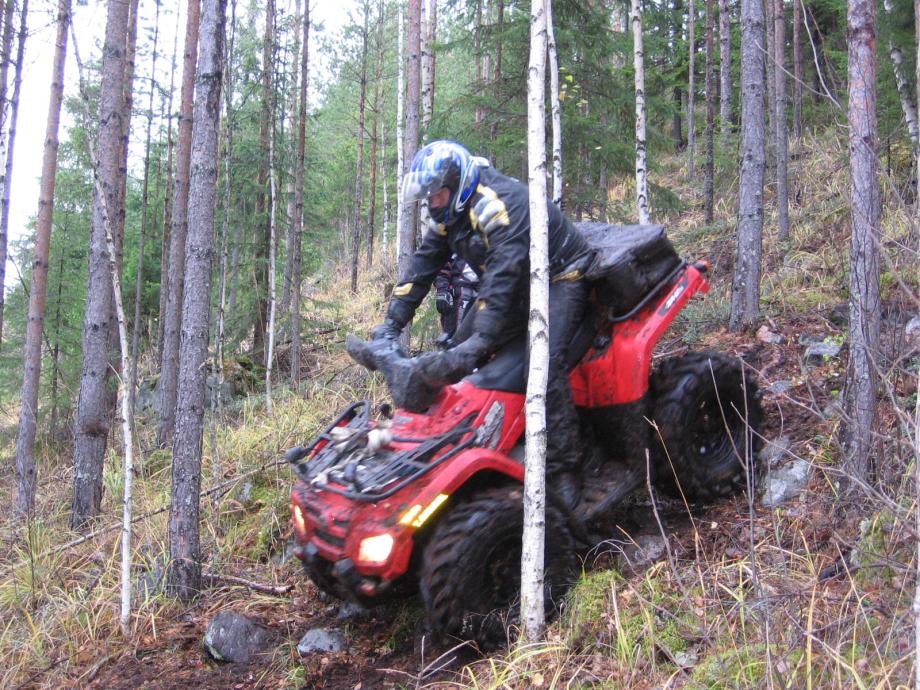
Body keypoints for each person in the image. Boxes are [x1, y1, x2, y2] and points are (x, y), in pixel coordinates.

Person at [371, 140, 594, 506]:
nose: (432, 203)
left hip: (560, 276)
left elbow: (502, 280)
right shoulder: (451, 213)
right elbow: (423, 266)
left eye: (437, 195)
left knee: (542, 367)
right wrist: (391, 323)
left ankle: (564, 467)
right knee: (456, 351)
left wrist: (482, 339)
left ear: (456, 185)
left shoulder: (499, 207)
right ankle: (449, 444)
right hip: (516, 282)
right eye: (428, 197)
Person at [434, 254, 480, 345]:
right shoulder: (454, 242)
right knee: (453, 339)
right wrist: (442, 291)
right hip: (458, 293)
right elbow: (442, 266)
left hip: (484, 290)